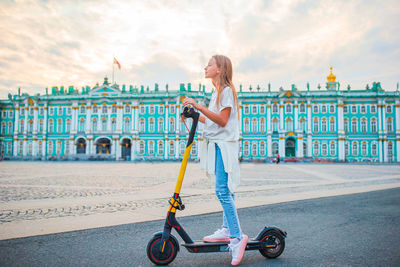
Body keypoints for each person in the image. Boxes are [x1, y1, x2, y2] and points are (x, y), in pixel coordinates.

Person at [182, 55, 247, 266]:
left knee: (222, 191)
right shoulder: (216, 93)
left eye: (209, 64)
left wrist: (199, 106)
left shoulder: (226, 91)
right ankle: (227, 229)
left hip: (224, 146)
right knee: (227, 189)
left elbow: (222, 120)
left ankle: (237, 238)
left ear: (220, 69)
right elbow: (212, 121)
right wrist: (193, 115)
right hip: (219, 143)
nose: (205, 67)